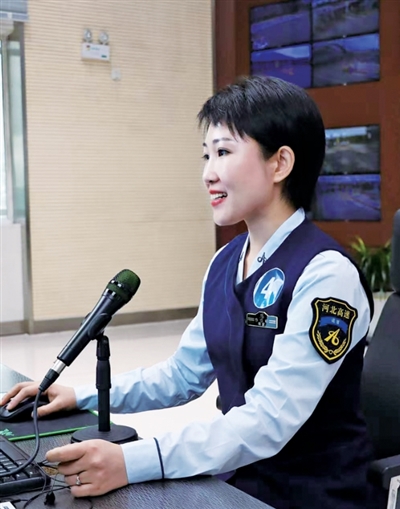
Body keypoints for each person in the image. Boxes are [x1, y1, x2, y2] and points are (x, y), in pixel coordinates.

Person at [1, 76, 374, 509]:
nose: (208, 173)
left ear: (280, 163)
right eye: (206, 155)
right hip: (235, 478)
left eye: (224, 152)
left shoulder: (327, 275)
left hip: (309, 493)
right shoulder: (225, 262)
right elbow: (182, 375)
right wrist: (80, 395)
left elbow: (268, 420)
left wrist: (133, 461)